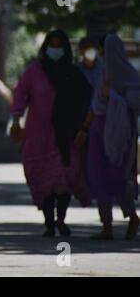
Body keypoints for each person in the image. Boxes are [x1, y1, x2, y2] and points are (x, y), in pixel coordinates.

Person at [10, 30, 92, 237]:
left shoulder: (73, 73)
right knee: (44, 180)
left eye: (59, 46)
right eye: (51, 45)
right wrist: (16, 119)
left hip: (66, 135)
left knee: (63, 177)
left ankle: (61, 219)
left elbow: (87, 100)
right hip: (38, 135)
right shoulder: (34, 72)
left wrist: (84, 128)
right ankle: (49, 223)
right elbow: (20, 95)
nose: (55, 50)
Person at [85, 34, 140, 240]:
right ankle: (106, 225)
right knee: (98, 177)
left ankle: (132, 216)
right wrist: (85, 128)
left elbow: (134, 104)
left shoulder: (130, 76)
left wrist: (113, 97)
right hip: (99, 131)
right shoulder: (103, 74)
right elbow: (95, 105)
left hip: (120, 134)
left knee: (117, 177)